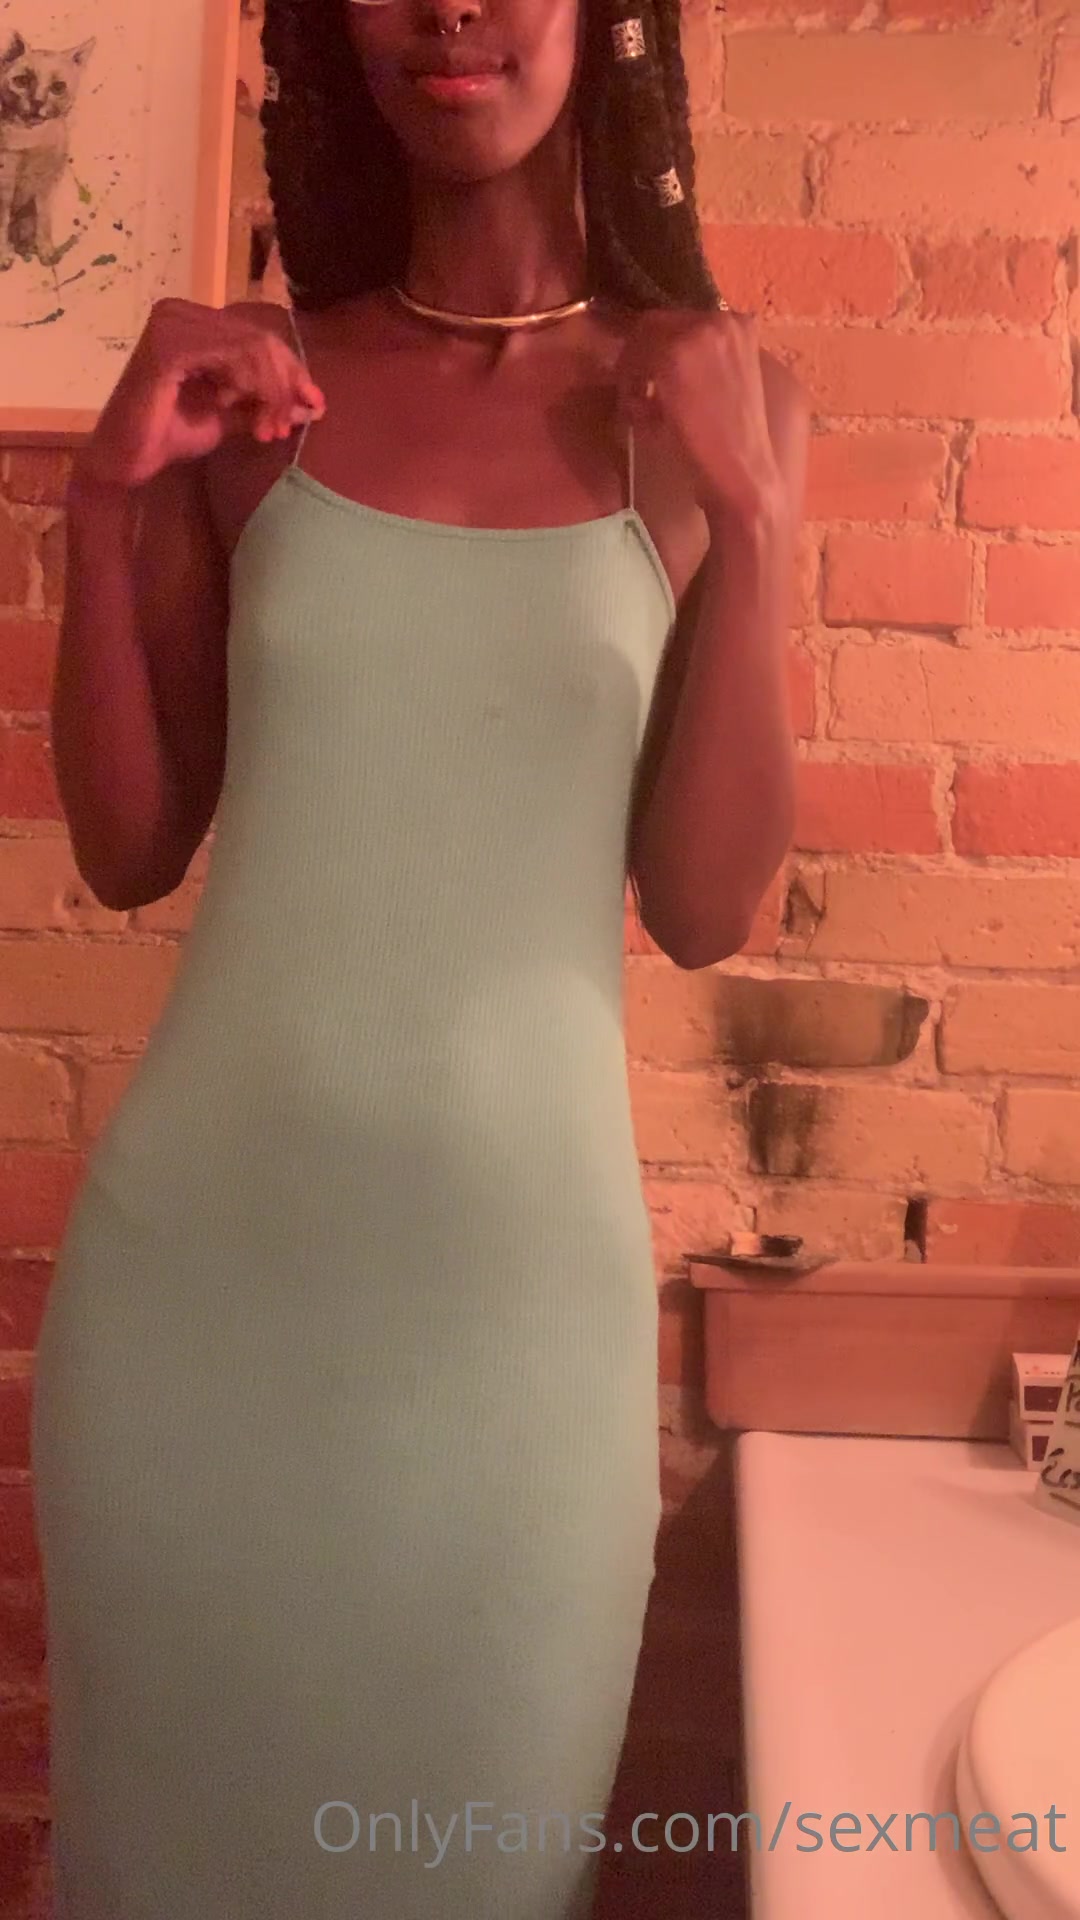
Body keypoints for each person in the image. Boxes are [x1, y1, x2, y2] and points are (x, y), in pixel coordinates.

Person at [30, 0, 808, 1914]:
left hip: (514, 1348)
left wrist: (758, 519)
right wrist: (103, 498)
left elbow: (705, 907)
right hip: (197, 1315)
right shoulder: (255, 393)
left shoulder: (713, 402)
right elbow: (131, 851)